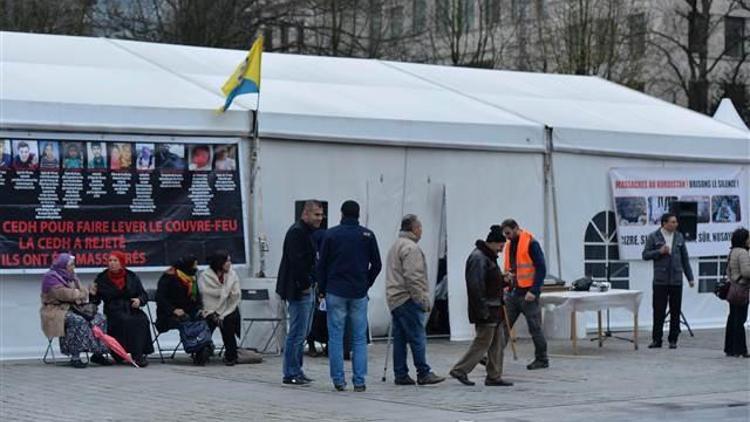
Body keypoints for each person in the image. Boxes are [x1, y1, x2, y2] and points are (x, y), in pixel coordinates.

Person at [318, 200, 382, 392]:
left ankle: (338, 380)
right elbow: (377, 265)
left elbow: (321, 265)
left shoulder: (331, 234)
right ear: (358, 214)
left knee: (336, 337)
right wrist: (366, 283)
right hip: (358, 292)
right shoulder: (367, 235)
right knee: (359, 338)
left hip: (335, 290)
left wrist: (322, 288)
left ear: (341, 213)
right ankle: (359, 380)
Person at [449, 226, 512, 386]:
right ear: (492, 243)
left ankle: (494, 376)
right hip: (487, 309)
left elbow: (490, 280)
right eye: (500, 246)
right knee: (482, 342)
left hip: (494, 307)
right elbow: (475, 286)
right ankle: (460, 370)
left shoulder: (488, 257)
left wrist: (503, 279)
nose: (501, 249)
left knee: (497, 343)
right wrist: (482, 310)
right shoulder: (478, 258)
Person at [386, 214, 445, 386]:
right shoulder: (411, 248)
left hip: (395, 298)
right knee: (417, 336)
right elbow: (414, 277)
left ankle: (400, 373)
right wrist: (422, 299)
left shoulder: (396, 245)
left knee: (400, 339)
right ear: (414, 229)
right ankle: (423, 372)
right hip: (407, 298)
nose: (421, 231)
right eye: (420, 228)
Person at [276, 200, 325, 384]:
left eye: (321, 215)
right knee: (297, 331)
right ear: (305, 214)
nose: (320, 218)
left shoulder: (308, 232)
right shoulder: (297, 232)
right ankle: (291, 372)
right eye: (316, 215)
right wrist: (304, 283)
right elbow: (297, 262)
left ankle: (297, 368)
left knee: (303, 331)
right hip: (298, 289)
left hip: (307, 287)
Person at [40, 254, 112, 368]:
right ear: (63, 265)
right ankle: (75, 356)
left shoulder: (72, 276)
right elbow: (65, 295)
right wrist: (80, 293)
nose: (74, 267)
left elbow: (82, 291)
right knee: (77, 320)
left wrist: (81, 293)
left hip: (74, 307)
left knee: (100, 318)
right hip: (56, 310)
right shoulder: (50, 278)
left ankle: (98, 353)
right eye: (71, 264)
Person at [500, 218, 549, 370]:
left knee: (534, 327)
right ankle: (493, 356)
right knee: (503, 326)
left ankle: (542, 359)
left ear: (516, 228)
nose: (507, 236)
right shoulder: (509, 246)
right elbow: (511, 268)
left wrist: (534, 290)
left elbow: (541, 268)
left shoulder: (531, 243)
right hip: (513, 293)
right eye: (505, 234)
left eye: (508, 233)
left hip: (528, 294)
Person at [642, 213, 695, 349]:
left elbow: (685, 258)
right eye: (672, 222)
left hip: (676, 280)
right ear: (664, 223)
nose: (675, 224)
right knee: (658, 311)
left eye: (676, 222)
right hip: (660, 280)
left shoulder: (679, 236)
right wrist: (659, 252)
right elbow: (645, 255)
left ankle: (673, 340)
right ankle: (656, 339)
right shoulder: (654, 236)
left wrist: (690, 277)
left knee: (675, 311)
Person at [92, 251, 153, 367]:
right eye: (110, 261)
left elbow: (143, 294)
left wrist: (140, 300)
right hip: (113, 309)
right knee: (126, 321)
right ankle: (121, 353)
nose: (112, 263)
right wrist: (92, 294)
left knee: (142, 319)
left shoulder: (131, 276)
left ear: (121, 262)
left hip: (131, 307)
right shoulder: (101, 278)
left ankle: (138, 354)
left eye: (115, 261)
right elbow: (95, 300)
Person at [156, 255, 212, 365]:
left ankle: (202, 346)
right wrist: (173, 310)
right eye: (194, 265)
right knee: (185, 319)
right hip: (168, 315)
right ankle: (194, 347)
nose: (196, 268)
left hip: (189, 311)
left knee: (204, 318)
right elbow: (160, 298)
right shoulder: (169, 277)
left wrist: (201, 309)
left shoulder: (191, 278)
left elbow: (196, 299)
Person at [198, 251, 241, 366]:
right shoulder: (205, 276)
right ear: (219, 263)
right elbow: (205, 293)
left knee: (227, 321)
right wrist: (224, 292)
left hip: (228, 308)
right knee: (207, 322)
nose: (229, 263)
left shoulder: (232, 275)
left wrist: (224, 295)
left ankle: (231, 355)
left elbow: (235, 294)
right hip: (209, 309)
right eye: (227, 261)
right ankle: (201, 353)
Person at [724, 228, 750, 357]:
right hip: (741, 288)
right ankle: (740, 349)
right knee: (740, 319)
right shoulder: (743, 253)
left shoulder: (732, 251)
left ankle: (730, 347)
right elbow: (746, 272)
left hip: (733, 288)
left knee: (732, 317)